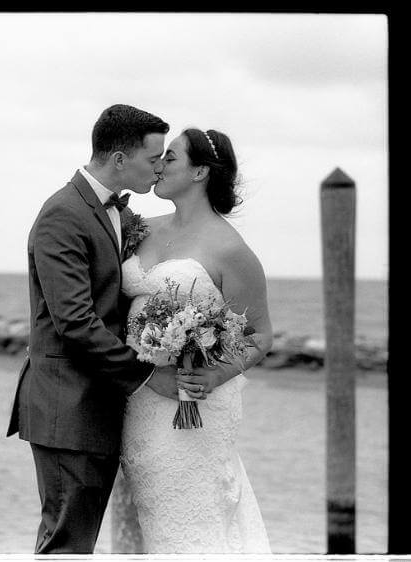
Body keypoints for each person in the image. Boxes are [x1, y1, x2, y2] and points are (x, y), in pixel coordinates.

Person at [6, 104, 179, 554]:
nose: (160, 167)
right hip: (69, 406)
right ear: (120, 159)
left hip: (94, 406)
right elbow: (76, 323)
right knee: (66, 545)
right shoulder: (63, 214)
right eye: (153, 157)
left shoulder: (114, 212)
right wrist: (145, 374)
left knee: (76, 543)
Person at [119, 127, 273, 553]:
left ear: (200, 171)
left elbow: (259, 334)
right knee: (147, 519)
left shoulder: (230, 248)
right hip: (139, 398)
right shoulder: (140, 228)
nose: (159, 165)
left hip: (194, 408)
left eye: (171, 157)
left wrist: (216, 375)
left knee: (190, 521)